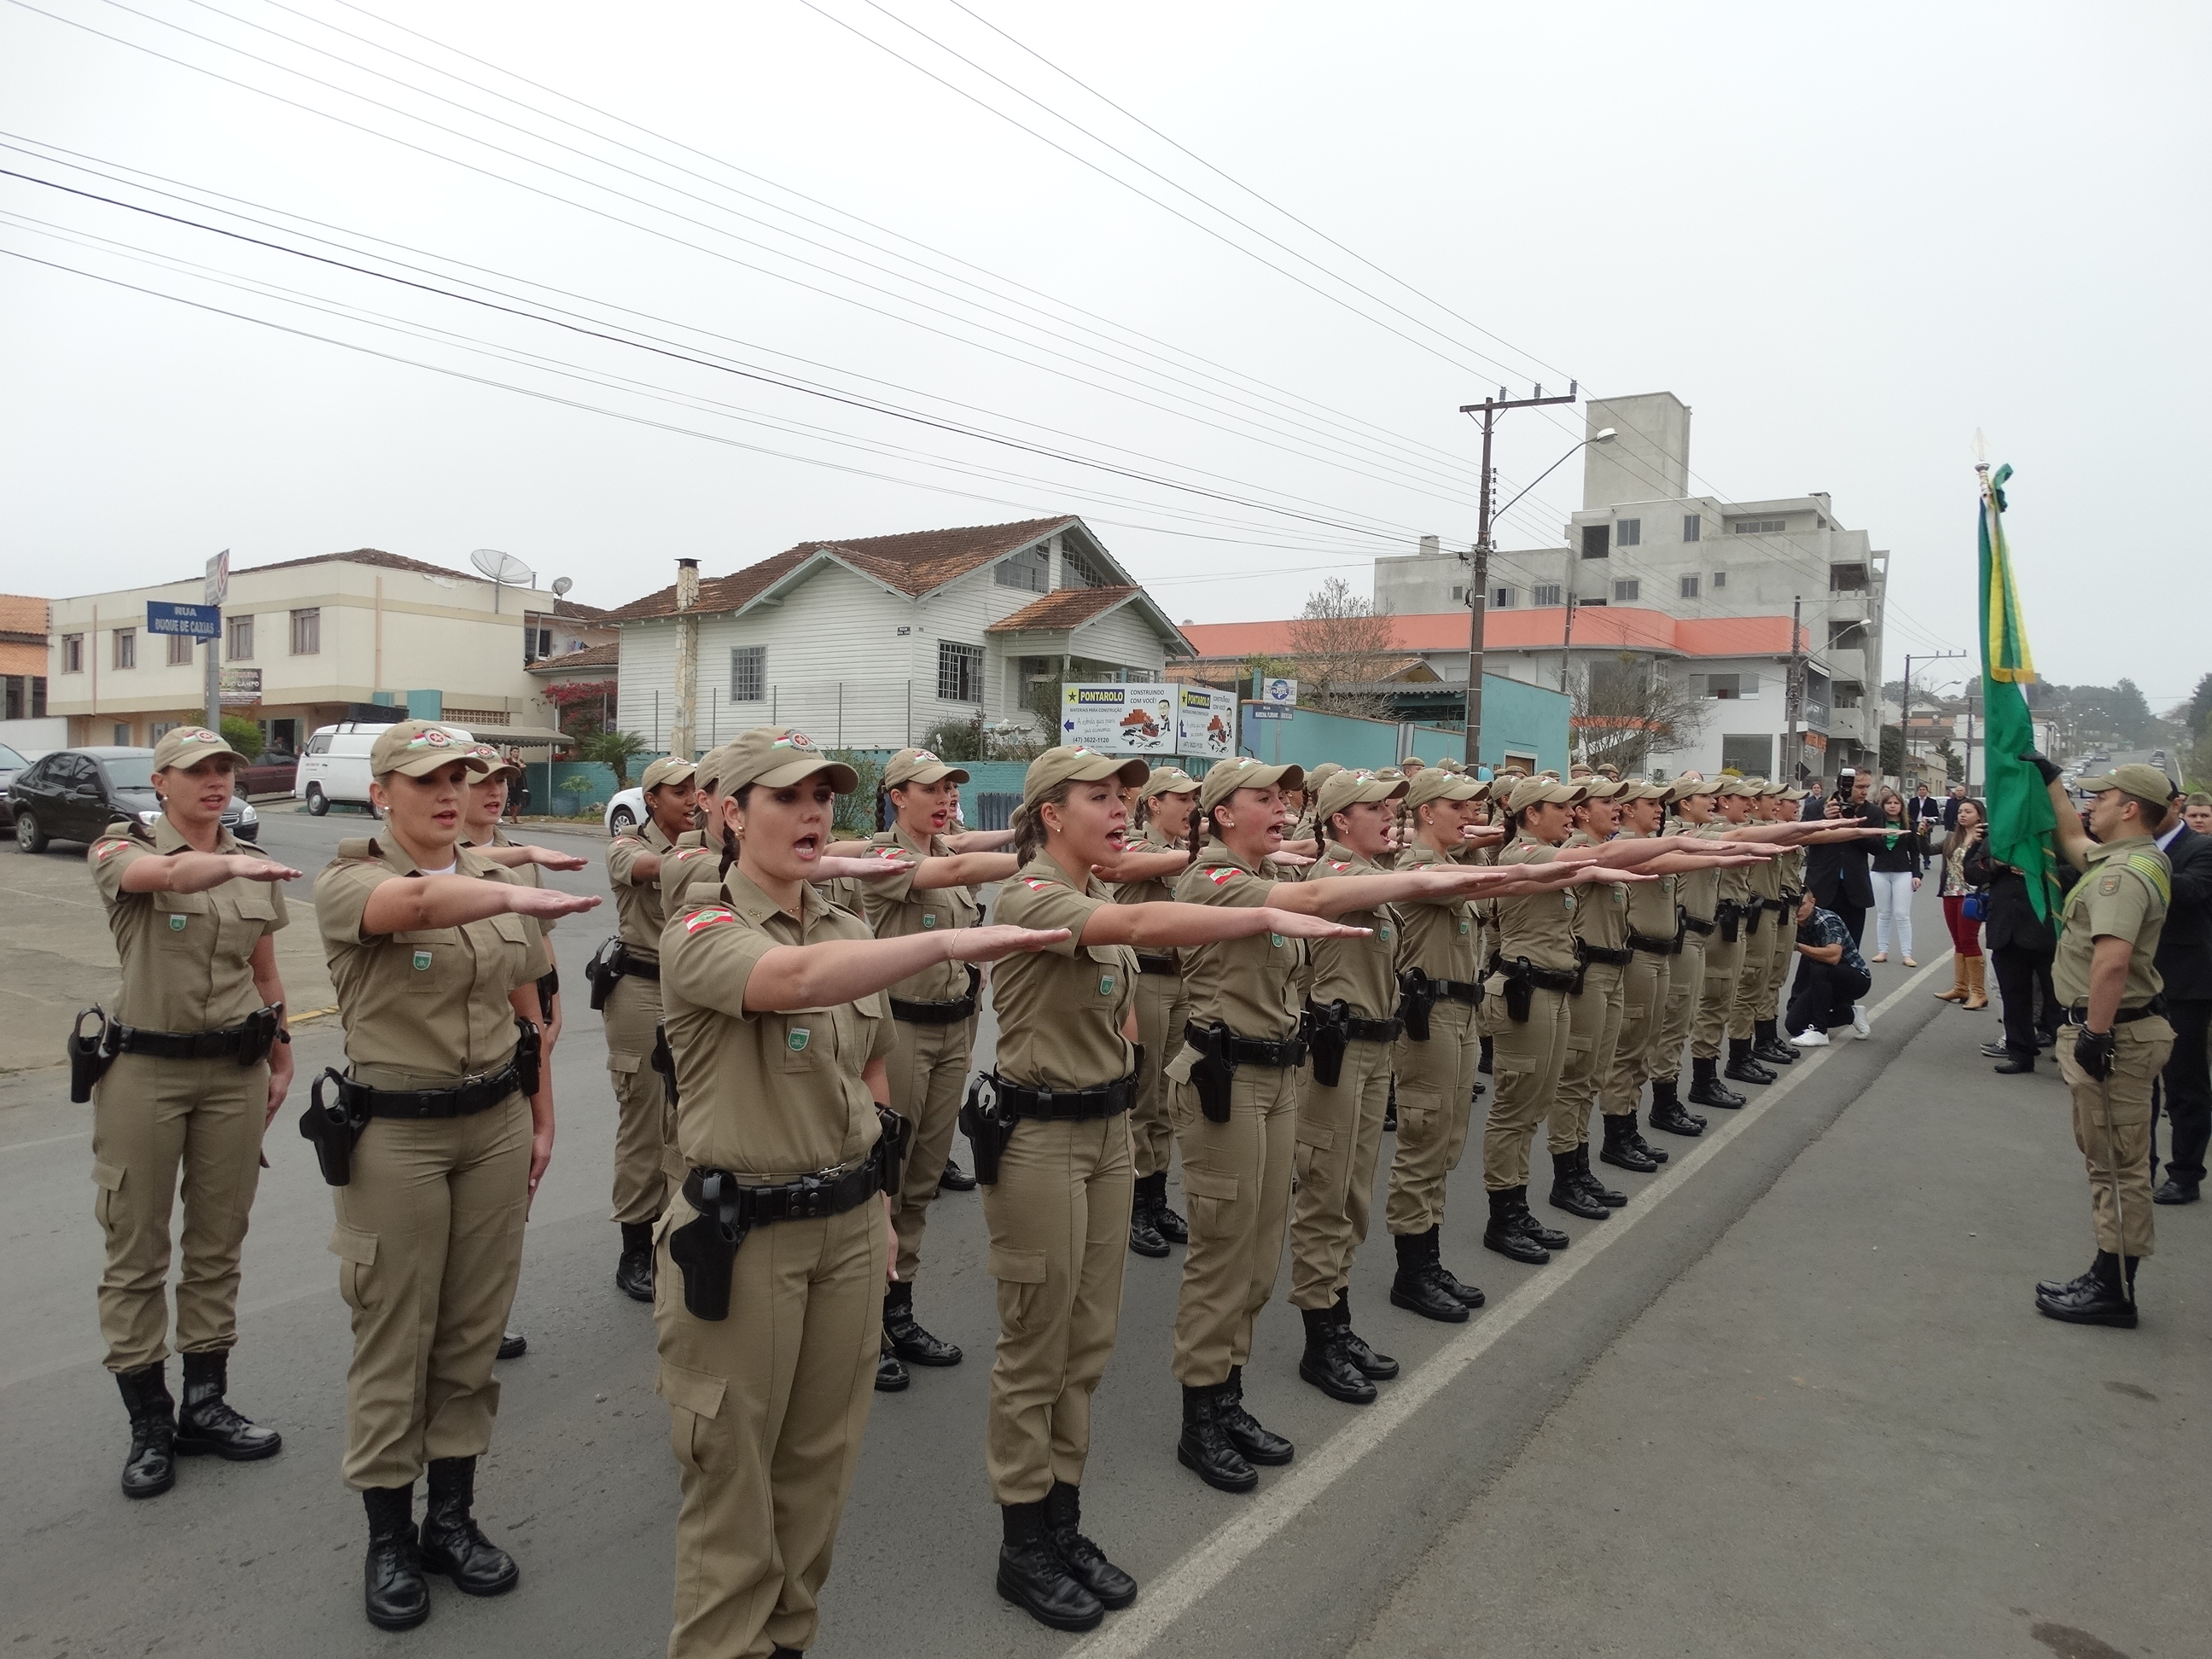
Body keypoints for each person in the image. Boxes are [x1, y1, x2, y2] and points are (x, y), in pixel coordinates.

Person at [653, 726, 1062, 1658]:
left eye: (821, 799)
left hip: (842, 1228)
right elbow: (788, 981)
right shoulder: (704, 927)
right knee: (733, 1489)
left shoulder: (846, 927)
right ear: (730, 814)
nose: (809, 815)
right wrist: (948, 940)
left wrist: (879, 1205)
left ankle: (788, 1642)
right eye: (785, 798)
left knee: (817, 1473)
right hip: (744, 1235)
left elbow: (872, 1076)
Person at [978, 748, 1362, 1628]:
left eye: (1126, 797)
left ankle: (1063, 1519)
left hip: (1104, 1132)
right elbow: (1154, 933)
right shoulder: (1032, 893)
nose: (1125, 809)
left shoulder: (1104, 899)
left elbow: (1121, 1018)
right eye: (1101, 799)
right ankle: (1023, 1542)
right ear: (1049, 814)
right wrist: (1279, 910)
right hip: (1039, 1141)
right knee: (1037, 1346)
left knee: (1088, 1340)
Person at [1163, 757, 1604, 1493]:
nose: (1281, 807)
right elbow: (1328, 894)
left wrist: (1463, 869)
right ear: (1221, 814)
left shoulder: (1288, 880)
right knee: (1230, 1251)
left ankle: (1239, 1387)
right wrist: (1444, 875)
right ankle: (1204, 1411)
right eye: (1263, 798)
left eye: (1284, 797)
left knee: (1272, 1238)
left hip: (1291, 1070)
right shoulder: (1212, 879)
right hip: (1235, 1083)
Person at [313, 722, 600, 1630]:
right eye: (430, 777)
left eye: (464, 777)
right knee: (397, 1336)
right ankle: (388, 1537)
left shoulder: (494, 884)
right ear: (382, 791)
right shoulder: (351, 879)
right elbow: (420, 908)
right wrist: (508, 881)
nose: (452, 790)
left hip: (493, 1125)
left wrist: (542, 1115)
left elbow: (530, 1011)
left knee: (473, 1333)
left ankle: (451, 1518)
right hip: (398, 1136)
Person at [86, 725, 299, 1500]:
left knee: (219, 1237)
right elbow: (154, 880)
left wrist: (281, 1051)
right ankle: (150, 1421)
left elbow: (264, 969)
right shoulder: (120, 846)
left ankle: (205, 1403)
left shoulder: (252, 866)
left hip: (232, 1073)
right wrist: (221, 863)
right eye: (197, 771)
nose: (215, 782)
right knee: (136, 1244)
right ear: (161, 781)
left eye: (224, 770)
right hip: (146, 1070)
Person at [863, 749, 1022, 1382]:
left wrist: (1022, 829)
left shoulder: (949, 856)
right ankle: (863, 1323)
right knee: (882, 1178)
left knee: (924, 1177)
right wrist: (1042, 855)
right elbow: (947, 863)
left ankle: (899, 1308)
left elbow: (966, 847)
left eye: (951, 788)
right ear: (897, 795)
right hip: (899, 1031)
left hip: (953, 1030)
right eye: (930, 788)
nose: (945, 797)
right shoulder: (883, 856)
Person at [2025, 760, 2175, 1326]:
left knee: (2116, 1166)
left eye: (2103, 797)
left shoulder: (2123, 875)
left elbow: (2112, 962)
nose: (2092, 805)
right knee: (2109, 1158)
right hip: (2123, 1029)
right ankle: (2106, 1268)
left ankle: (2115, 1290)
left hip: (2118, 1033)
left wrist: (2095, 1033)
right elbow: (2071, 837)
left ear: (2131, 807)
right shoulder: (2126, 859)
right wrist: (2052, 781)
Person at [457, 745, 591, 1362]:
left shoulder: (517, 857)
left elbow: (539, 938)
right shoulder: (447, 858)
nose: (494, 793)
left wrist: (552, 1004)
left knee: (513, 1181)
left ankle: (487, 1308)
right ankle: (455, 1315)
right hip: (462, 1034)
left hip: (521, 1021)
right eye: (481, 782)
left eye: (503, 782)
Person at [600, 756, 700, 1299]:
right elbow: (649, 871)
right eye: (678, 790)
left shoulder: (708, 840)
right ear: (652, 799)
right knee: (644, 1118)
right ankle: (635, 1247)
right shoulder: (627, 845)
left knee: (691, 1117)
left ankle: (678, 1230)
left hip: (693, 988)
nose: (691, 798)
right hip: (641, 987)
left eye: (696, 789)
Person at [1117, 766, 1200, 1257]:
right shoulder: (1135, 849)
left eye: (1194, 798)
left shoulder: (1178, 852)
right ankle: (1136, 1203)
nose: (1190, 807)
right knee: (1143, 1095)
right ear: (1152, 804)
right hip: (1145, 980)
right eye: (1180, 798)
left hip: (1179, 977)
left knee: (1169, 1095)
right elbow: (1170, 865)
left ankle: (1156, 1194)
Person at [1598, 779, 1697, 1153]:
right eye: (1650, 803)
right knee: (1627, 1050)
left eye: (1661, 804)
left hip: (1661, 954)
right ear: (1626, 809)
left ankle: (1629, 1127)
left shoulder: (1651, 842)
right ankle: (1616, 1135)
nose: (1659, 810)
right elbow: (1656, 861)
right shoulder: (1621, 848)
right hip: (1637, 956)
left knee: (1645, 1046)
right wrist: (1717, 852)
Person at [2149, 790, 2210, 1204]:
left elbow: (2187, 892)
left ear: (2173, 807)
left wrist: (2132, 860)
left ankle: (2185, 1173)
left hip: (2185, 984)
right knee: (2136, 1085)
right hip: (2135, 980)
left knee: (2184, 1084)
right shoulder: (2125, 849)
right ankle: (2138, 1165)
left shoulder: (2202, 848)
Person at [1965, 831, 2064, 1075]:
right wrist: (1996, 863)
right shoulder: (1998, 835)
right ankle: (2020, 1052)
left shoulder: (2055, 834)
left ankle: (2067, 1054)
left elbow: (2078, 873)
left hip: (2046, 928)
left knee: (2058, 999)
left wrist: (2041, 872)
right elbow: (1971, 872)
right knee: (2013, 996)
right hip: (2006, 928)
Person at [1784, 888, 1872, 1046]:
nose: (1798, 910)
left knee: (1820, 967)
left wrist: (1797, 945)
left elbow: (1833, 956)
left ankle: (1820, 1031)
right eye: (1794, 906)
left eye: (1802, 904)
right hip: (1825, 981)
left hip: (1856, 979)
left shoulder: (1826, 919)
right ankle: (1850, 1015)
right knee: (1794, 1025)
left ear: (1813, 902)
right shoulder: (1793, 922)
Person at [1933, 798, 1989, 1009]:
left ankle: (1979, 992)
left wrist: (1975, 842)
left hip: (1971, 895)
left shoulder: (1984, 837)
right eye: (1960, 812)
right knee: (1958, 941)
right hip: (1950, 893)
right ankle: (1961, 987)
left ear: (1979, 815)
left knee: (1969, 940)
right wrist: (1920, 832)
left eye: (1968, 811)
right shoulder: (1953, 837)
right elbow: (1927, 850)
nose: (1963, 815)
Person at [1867, 789, 1925, 965]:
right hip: (1880, 872)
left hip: (1903, 872)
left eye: (1896, 803)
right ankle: (1882, 951)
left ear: (1902, 805)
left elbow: (1915, 853)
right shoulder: (1877, 825)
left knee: (1902, 914)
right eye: (1889, 803)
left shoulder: (1909, 825)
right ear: (1883, 805)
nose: (1892, 806)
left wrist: (1916, 875)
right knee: (1883, 914)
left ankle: (1906, 954)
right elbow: (1869, 846)